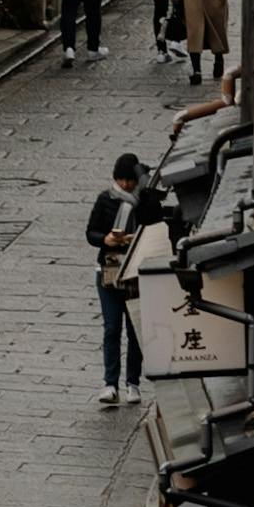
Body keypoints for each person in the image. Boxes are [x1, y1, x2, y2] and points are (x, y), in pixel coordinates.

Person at [86, 154, 153, 410]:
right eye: (121, 180)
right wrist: (106, 239)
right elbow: (91, 232)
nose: (125, 185)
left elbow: (156, 226)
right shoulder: (105, 199)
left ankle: (133, 382)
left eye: (129, 180)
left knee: (134, 328)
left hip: (136, 270)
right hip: (109, 269)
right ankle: (110, 384)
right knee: (112, 327)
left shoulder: (145, 201)